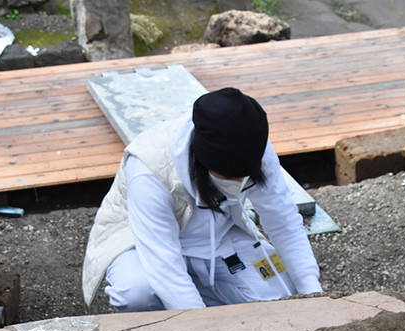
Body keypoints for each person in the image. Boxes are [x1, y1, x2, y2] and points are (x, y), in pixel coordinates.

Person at [81, 87, 323, 311]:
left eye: (244, 176)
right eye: (229, 175)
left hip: (219, 236)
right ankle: (164, 326)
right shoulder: (149, 170)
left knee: (284, 293)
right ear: (203, 161)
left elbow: (284, 222)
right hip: (138, 242)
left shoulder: (253, 146)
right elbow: (164, 265)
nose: (238, 183)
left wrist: (313, 294)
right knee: (137, 292)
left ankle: (199, 293)